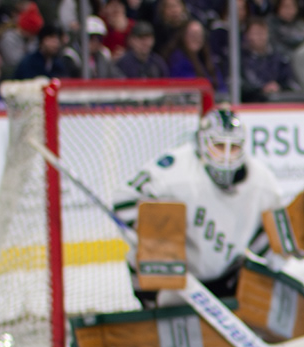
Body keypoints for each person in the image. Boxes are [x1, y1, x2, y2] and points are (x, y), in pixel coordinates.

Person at [111, 105, 287, 302]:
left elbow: (268, 244)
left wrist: (290, 249)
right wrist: (154, 237)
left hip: (224, 278)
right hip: (169, 283)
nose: (227, 155)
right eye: (219, 145)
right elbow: (123, 200)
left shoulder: (262, 183)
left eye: (234, 147)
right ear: (203, 142)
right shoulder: (175, 170)